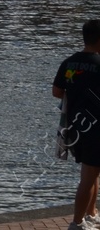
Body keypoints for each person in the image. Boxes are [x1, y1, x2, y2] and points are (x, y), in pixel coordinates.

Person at [55, 20, 100, 230]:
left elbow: (57, 91)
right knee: (88, 177)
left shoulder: (69, 62)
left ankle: (91, 214)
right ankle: (77, 222)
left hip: (75, 128)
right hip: (96, 130)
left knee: (91, 172)